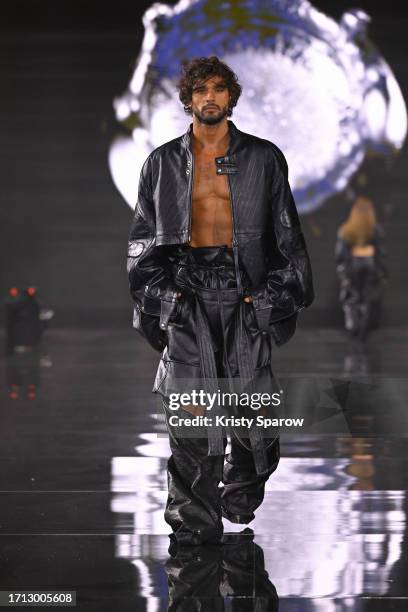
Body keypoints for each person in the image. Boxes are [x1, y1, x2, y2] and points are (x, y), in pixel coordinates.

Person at [127, 56, 314, 546]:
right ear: (187, 99)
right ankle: (193, 524)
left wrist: (272, 294)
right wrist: (166, 295)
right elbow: (143, 241)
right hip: (189, 293)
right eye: (200, 90)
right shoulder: (162, 163)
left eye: (218, 89)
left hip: (245, 292)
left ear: (231, 97)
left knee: (258, 417)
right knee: (191, 414)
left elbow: (287, 236)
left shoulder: (263, 158)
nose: (209, 97)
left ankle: (241, 490)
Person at [335, 195, 387, 342]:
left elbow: (340, 254)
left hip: (352, 266)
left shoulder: (346, 229)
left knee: (352, 298)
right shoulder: (375, 229)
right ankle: (362, 327)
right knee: (365, 298)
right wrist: (381, 271)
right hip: (370, 265)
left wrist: (343, 272)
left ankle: (353, 326)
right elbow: (381, 253)